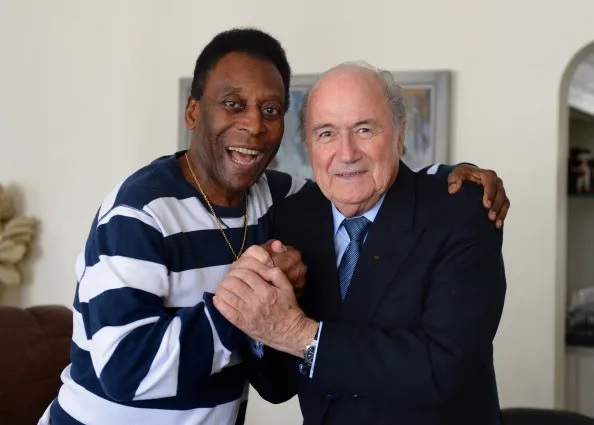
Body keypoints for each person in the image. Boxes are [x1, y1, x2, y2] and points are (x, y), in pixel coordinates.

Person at [39, 27, 509, 425]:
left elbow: (366, 183)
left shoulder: (276, 198)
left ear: (400, 134)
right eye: (232, 104)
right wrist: (247, 311)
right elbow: (124, 370)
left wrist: (453, 176)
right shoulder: (140, 212)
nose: (253, 125)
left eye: (270, 110)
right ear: (193, 111)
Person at [213, 62, 507, 425]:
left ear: (399, 134)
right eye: (326, 134)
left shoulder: (462, 213)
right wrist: (260, 317)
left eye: (364, 130)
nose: (347, 153)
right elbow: (277, 387)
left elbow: (444, 366)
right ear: (308, 146)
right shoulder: (292, 218)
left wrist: (301, 335)